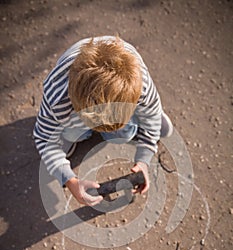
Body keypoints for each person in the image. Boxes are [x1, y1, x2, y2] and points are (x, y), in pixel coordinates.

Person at [34, 35, 173, 206]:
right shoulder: (57, 99)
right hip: (72, 105)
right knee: (70, 133)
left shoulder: (140, 85)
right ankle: (74, 132)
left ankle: (149, 115)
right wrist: (70, 180)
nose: (102, 131)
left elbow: (143, 110)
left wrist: (144, 159)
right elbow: (43, 138)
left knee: (125, 132)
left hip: (130, 97)